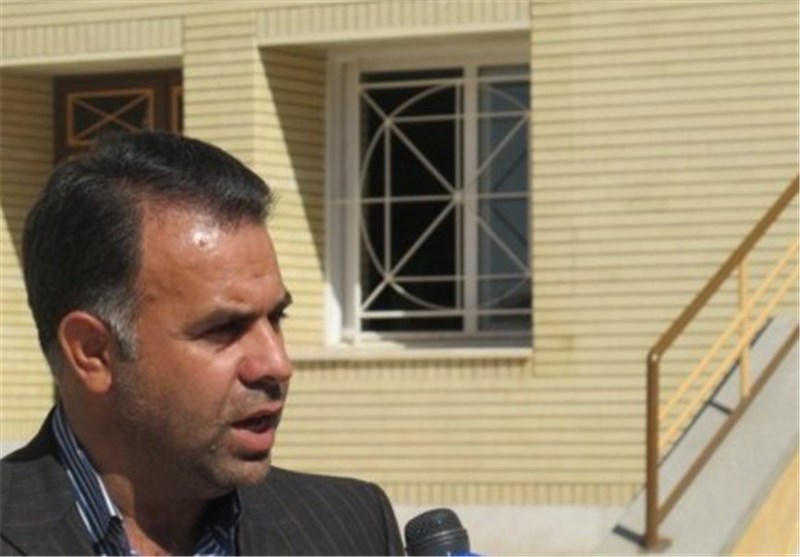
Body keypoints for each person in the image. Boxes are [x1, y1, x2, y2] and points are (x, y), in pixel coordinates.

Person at [0, 131, 403, 556]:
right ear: (93, 353)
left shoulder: (350, 526)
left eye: (276, 318)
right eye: (225, 329)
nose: (276, 363)